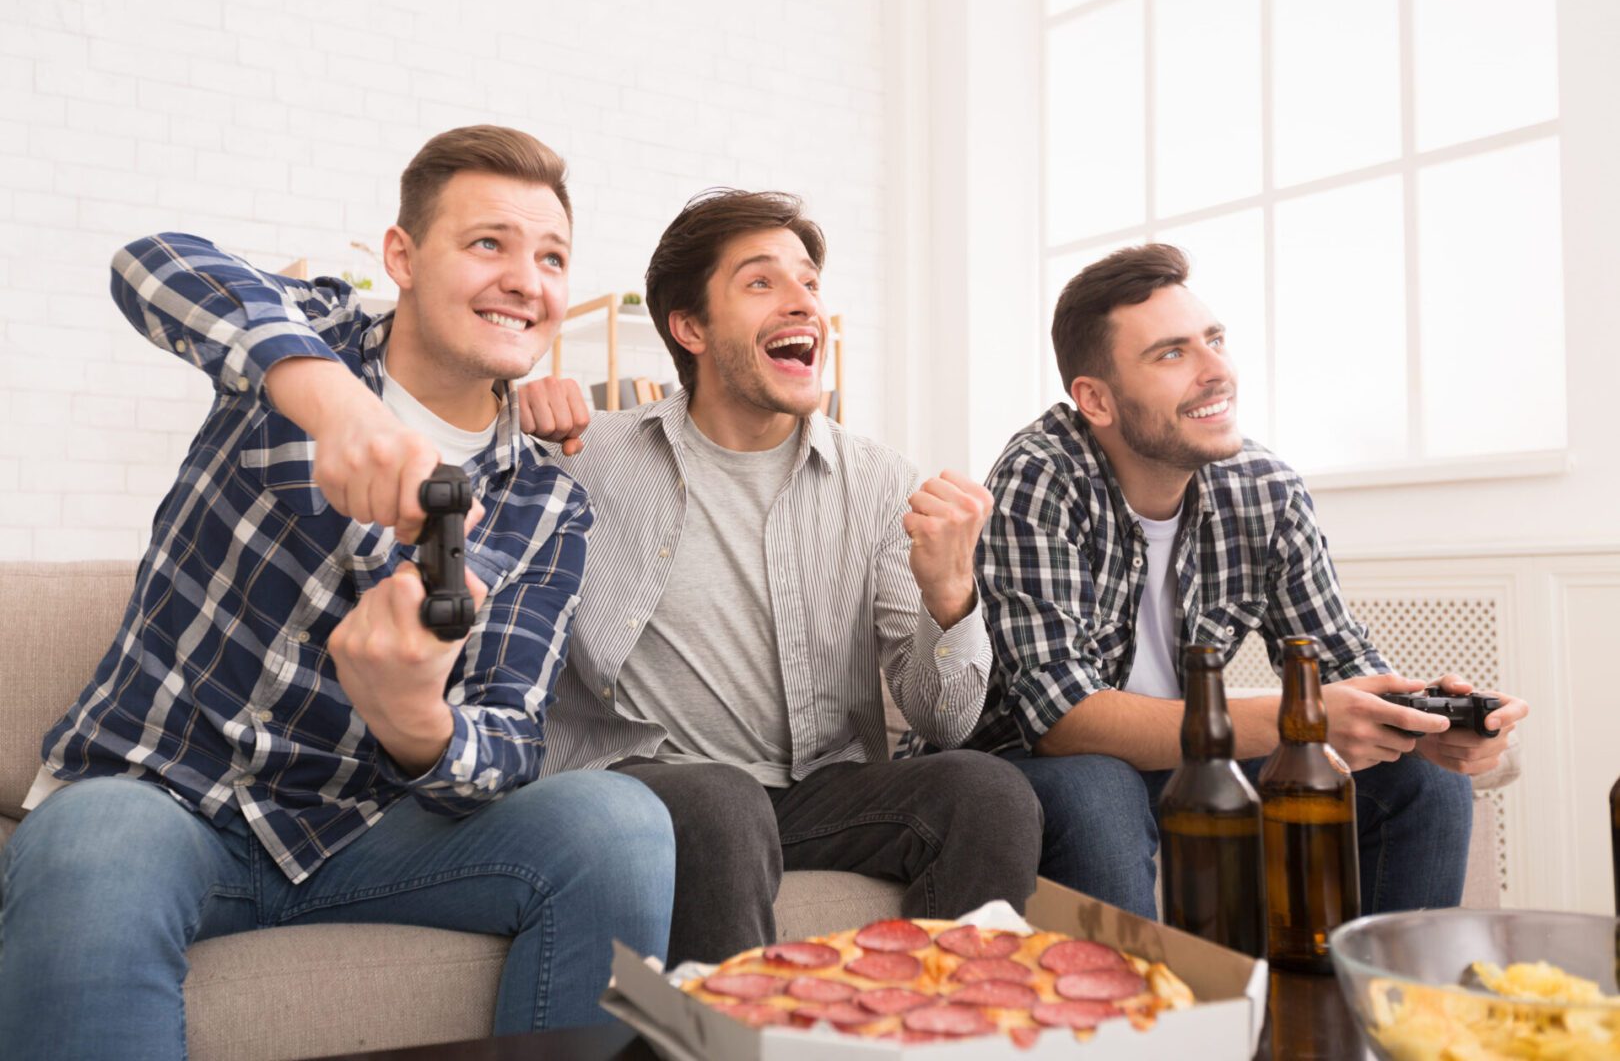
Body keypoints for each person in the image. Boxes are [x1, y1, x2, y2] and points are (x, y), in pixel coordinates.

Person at [0, 126, 675, 1059]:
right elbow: (151, 263)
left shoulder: (547, 503)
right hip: (163, 796)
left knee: (620, 821)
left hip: (365, 835)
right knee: (96, 842)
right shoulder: (298, 345)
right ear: (400, 256)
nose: (528, 278)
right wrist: (330, 400)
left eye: (551, 256)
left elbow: (512, 736)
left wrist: (416, 723)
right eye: (489, 242)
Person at [517, 189, 1043, 965]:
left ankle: (946, 1035)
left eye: (809, 282)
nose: (802, 301)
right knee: (721, 801)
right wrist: (505, 406)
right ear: (690, 327)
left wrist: (951, 598)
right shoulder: (586, 456)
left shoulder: (877, 482)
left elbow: (946, 720)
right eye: (762, 282)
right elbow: (446, 468)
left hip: (813, 796)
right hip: (654, 787)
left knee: (990, 792)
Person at [962, 243, 1529, 920]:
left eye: (1215, 340)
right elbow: (1062, 719)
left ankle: (1381, 1015)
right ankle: (1142, 1024)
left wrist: (1420, 722)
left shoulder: (1263, 488)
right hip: (1033, 767)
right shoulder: (1042, 475)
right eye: (1172, 354)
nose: (1216, 372)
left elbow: (1346, 663)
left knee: (1423, 784)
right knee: (1097, 787)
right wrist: (1300, 719)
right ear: (1095, 399)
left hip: (1187, 764)